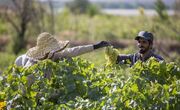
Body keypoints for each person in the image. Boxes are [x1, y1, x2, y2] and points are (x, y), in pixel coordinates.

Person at [15, 32, 110, 68]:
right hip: (20, 62)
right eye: (51, 50)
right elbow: (25, 89)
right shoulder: (31, 66)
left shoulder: (54, 54)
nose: (54, 51)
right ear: (44, 52)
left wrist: (95, 46)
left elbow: (73, 51)